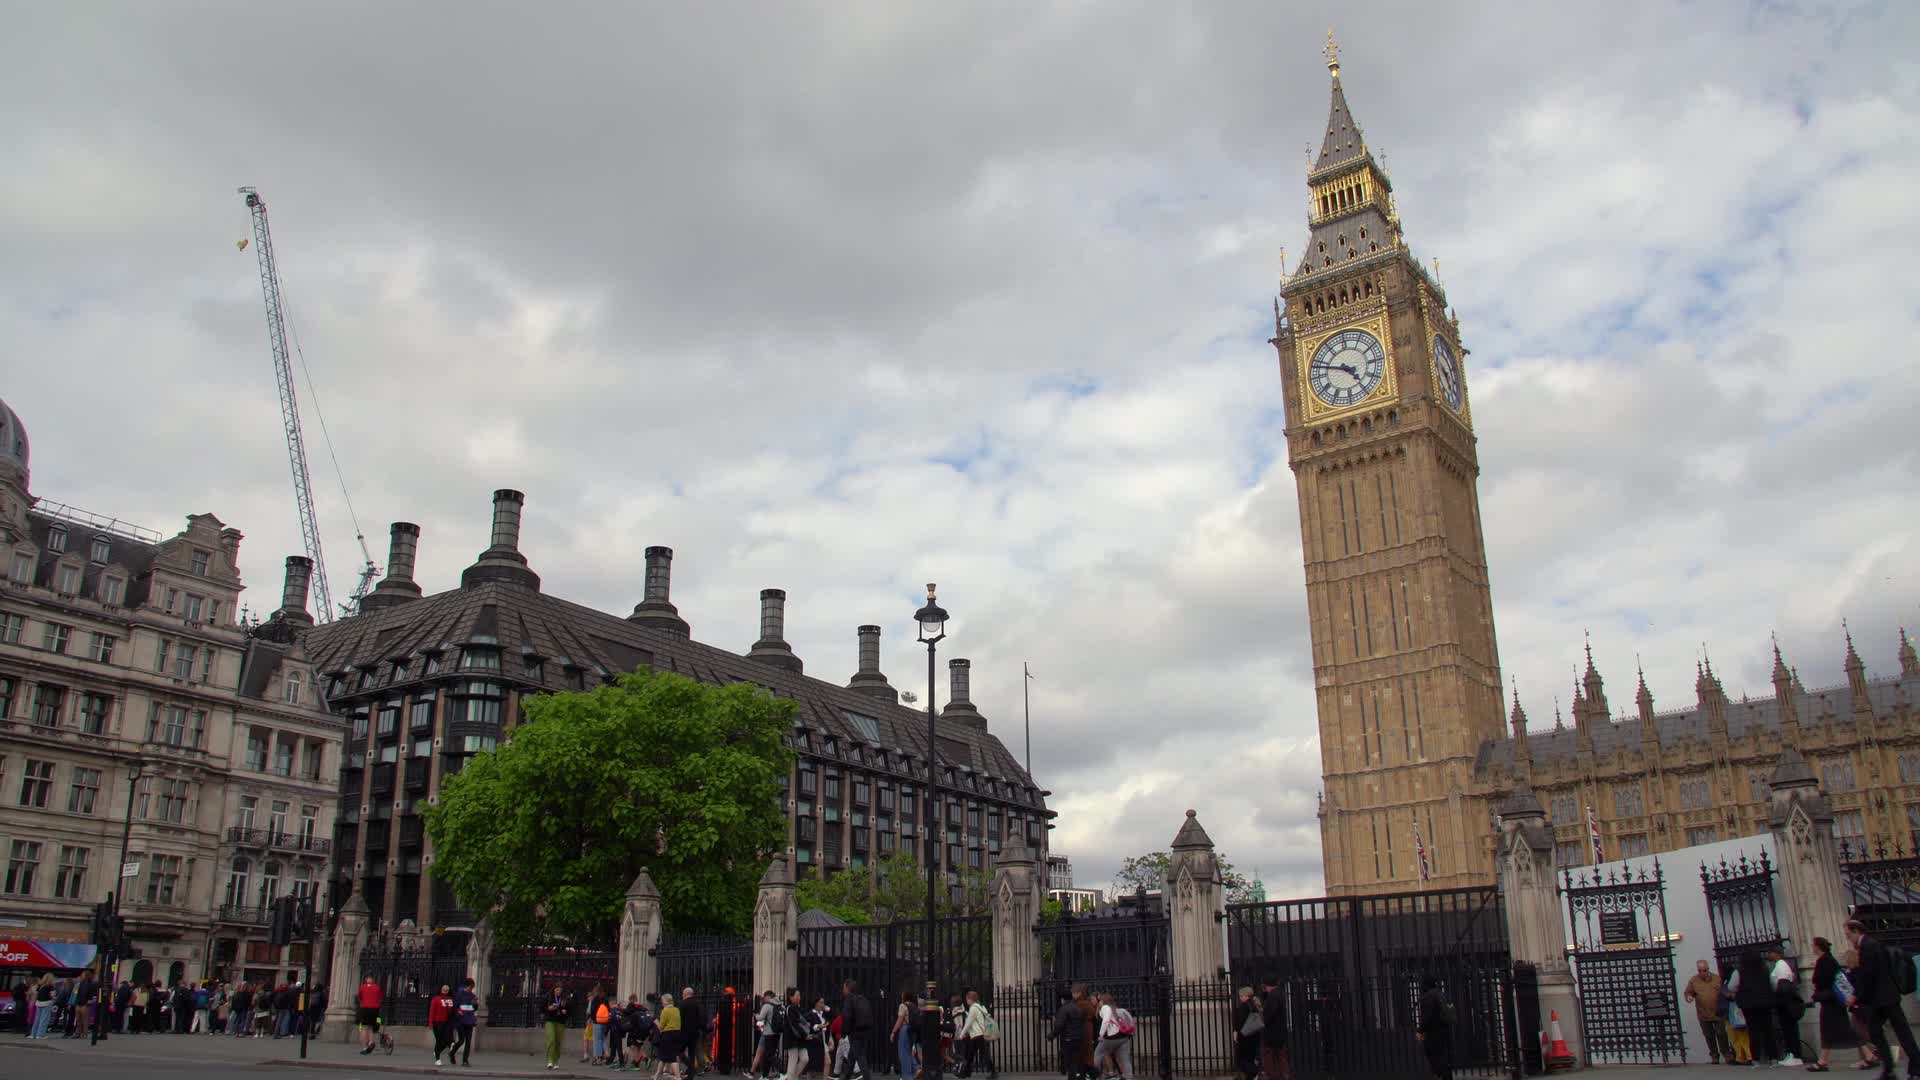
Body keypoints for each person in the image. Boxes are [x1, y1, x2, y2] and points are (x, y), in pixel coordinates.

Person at [1844, 917, 1920, 1079]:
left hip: (1882, 998)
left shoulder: (1868, 946)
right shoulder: (1871, 944)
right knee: (1892, 1031)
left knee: (1896, 1032)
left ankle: (1900, 1068)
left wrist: (1855, 995)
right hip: (1884, 997)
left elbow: (1868, 974)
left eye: (1848, 934)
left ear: (1857, 931)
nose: (1848, 939)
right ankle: (1894, 1068)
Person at [1809, 936, 1860, 1072]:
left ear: (1818, 946)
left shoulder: (1824, 961)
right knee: (1841, 1030)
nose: (1812, 948)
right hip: (1834, 1001)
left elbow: (1823, 981)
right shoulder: (1828, 959)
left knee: (1828, 1030)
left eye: (1813, 945)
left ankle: (1822, 1061)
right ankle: (1869, 1055)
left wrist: (1816, 987)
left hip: (1831, 1001)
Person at [1683, 958, 1734, 1065]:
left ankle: (1727, 1054)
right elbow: (1688, 992)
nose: (1702, 973)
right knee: (1708, 1035)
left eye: (1704, 970)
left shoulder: (1717, 979)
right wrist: (1689, 997)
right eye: (1700, 970)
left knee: (1721, 1033)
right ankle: (1714, 1056)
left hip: (1717, 1012)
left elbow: (1724, 991)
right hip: (1703, 1014)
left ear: (1708, 969)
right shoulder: (1694, 980)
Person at [1733, 951, 1781, 1065]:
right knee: (1768, 1030)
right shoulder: (1765, 968)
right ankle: (1773, 1058)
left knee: (1753, 1031)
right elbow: (1773, 983)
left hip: (1748, 1004)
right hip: (1765, 1003)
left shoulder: (1739, 971)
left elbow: (1732, 986)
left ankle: (1756, 1059)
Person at [1766, 945, 1806, 1067]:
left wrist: (1779, 998)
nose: (1768, 955)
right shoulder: (1781, 965)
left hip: (1785, 1003)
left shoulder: (1781, 965)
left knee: (1790, 1030)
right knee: (1788, 1030)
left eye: (1770, 952)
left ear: (1776, 954)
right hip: (1785, 1002)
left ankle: (1795, 1055)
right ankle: (1791, 1054)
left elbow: (1783, 985)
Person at [1416, 976, 1452, 1080]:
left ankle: (1439, 1075)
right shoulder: (1442, 994)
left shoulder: (1427, 997)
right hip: (1445, 1031)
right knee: (1444, 1057)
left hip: (1433, 1033)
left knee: (1434, 1057)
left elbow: (1427, 1017)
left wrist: (1420, 1030)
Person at [838, 979, 872, 1080]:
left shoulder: (849, 999)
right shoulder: (861, 998)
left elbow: (847, 1018)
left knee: (861, 1059)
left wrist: (845, 1031)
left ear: (847, 988)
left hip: (854, 1032)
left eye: (844, 987)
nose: (843, 990)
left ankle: (867, 1078)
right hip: (863, 1031)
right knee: (851, 1058)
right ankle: (846, 1077)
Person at [1258, 977, 1290, 1080]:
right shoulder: (1279, 994)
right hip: (1280, 1034)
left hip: (1271, 1035)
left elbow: (1268, 1014)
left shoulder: (1273, 996)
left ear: (1267, 985)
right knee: (1282, 1059)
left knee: (1269, 1062)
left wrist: (1262, 1016)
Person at [959, 989, 995, 1079]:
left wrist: (961, 1034)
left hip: (977, 1035)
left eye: (967, 999)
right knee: (972, 1055)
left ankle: (993, 1072)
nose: (966, 1001)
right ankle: (966, 1073)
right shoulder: (980, 1007)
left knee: (981, 1055)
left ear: (970, 999)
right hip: (979, 1035)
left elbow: (968, 1023)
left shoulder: (974, 1008)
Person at [1052, 989, 1084, 1080]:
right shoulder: (1077, 1008)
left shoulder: (1063, 1009)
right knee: (1076, 1061)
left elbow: (1059, 1025)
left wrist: (1052, 1035)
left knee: (1070, 1063)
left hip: (1068, 1038)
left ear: (1062, 999)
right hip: (1078, 1037)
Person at [1230, 987, 1261, 1080]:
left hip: (1245, 1037)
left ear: (1246, 996)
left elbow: (1240, 1022)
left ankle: (1254, 1074)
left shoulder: (1244, 1006)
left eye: (1241, 995)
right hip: (1254, 1036)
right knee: (1250, 1059)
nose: (1240, 997)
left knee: (1243, 1060)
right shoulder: (1254, 1005)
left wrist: (1236, 1032)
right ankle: (1253, 1075)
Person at [453, 976, 479, 1066]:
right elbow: (455, 1006)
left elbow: (474, 1008)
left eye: (472, 988)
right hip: (461, 1021)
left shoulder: (473, 996)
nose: (471, 989)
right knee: (461, 1040)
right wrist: (458, 1012)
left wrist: (475, 1004)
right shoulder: (459, 994)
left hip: (470, 1020)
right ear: (466, 986)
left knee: (468, 1041)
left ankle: (465, 1060)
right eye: (470, 987)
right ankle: (452, 1052)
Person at [544, 986, 572, 1071]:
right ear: (554, 989)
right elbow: (541, 1008)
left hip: (560, 1022)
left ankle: (556, 1061)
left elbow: (571, 1010)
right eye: (557, 990)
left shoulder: (565, 998)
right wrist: (549, 1008)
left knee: (558, 1042)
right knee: (551, 1040)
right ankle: (550, 1060)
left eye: (560, 990)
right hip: (550, 1021)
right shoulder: (549, 997)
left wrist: (565, 1012)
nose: (558, 992)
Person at [429, 983, 457, 1066]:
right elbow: (432, 1012)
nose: (446, 989)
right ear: (441, 989)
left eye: (447, 988)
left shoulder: (451, 999)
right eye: (444, 988)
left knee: (447, 1041)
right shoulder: (436, 999)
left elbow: (454, 1011)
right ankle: (437, 1059)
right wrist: (430, 1023)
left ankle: (440, 1050)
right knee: (439, 1041)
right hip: (438, 1022)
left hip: (448, 1022)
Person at [893, 991, 919, 1080]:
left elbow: (900, 1020)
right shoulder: (914, 1006)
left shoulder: (903, 1005)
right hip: (913, 1031)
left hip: (905, 1029)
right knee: (909, 1052)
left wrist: (893, 1032)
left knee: (903, 1054)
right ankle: (916, 1069)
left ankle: (907, 1076)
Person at [357, 976, 384, 1054]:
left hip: (365, 1009)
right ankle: (371, 1042)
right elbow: (380, 998)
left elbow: (360, 998)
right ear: (373, 980)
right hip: (375, 1010)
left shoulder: (362, 987)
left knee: (363, 1028)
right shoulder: (377, 987)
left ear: (366, 980)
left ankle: (365, 1047)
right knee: (371, 1027)